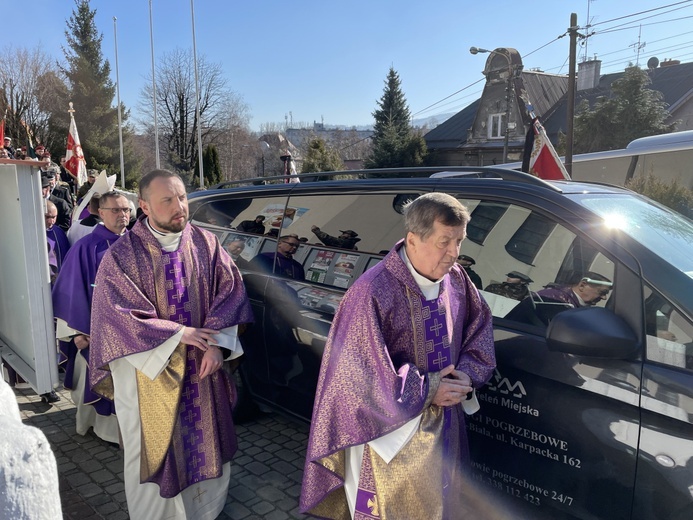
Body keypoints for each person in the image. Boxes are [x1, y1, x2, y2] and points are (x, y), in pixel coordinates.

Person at [300, 193, 496, 518]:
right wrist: (430, 388)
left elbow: (480, 331)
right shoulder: (372, 292)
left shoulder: (458, 280)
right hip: (386, 436)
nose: (454, 254)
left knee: (443, 505)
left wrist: (468, 373)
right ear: (413, 240)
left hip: (445, 424)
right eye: (444, 241)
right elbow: (353, 379)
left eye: (459, 241)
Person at [88, 169, 253, 520]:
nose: (179, 207)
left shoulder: (206, 244)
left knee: (205, 438)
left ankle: (207, 509)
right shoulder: (121, 256)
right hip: (150, 374)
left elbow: (230, 293)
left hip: (203, 370)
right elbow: (117, 316)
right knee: (157, 447)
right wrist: (179, 334)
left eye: (182, 197)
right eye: (168, 200)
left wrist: (216, 345)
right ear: (145, 206)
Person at [52, 191, 130, 444]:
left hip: (131, 332)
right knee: (95, 378)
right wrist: (78, 331)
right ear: (101, 212)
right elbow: (69, 291)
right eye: (116, 210)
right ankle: (100, 429)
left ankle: (127, 432)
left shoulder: (136, 244)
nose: (123, 216)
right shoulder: (85, 247)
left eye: (126, 210)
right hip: (94, 331)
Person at [536, 272, 613, 307]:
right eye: (602, 292)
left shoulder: (575, 305)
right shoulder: (552, 299)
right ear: (582, 286)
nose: (604, 298)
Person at [45, 200, 71, 284]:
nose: (51, 221)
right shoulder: (33, 234)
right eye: (47, 217)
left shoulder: (58, 232)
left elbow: (67, 256)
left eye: (54, 217)